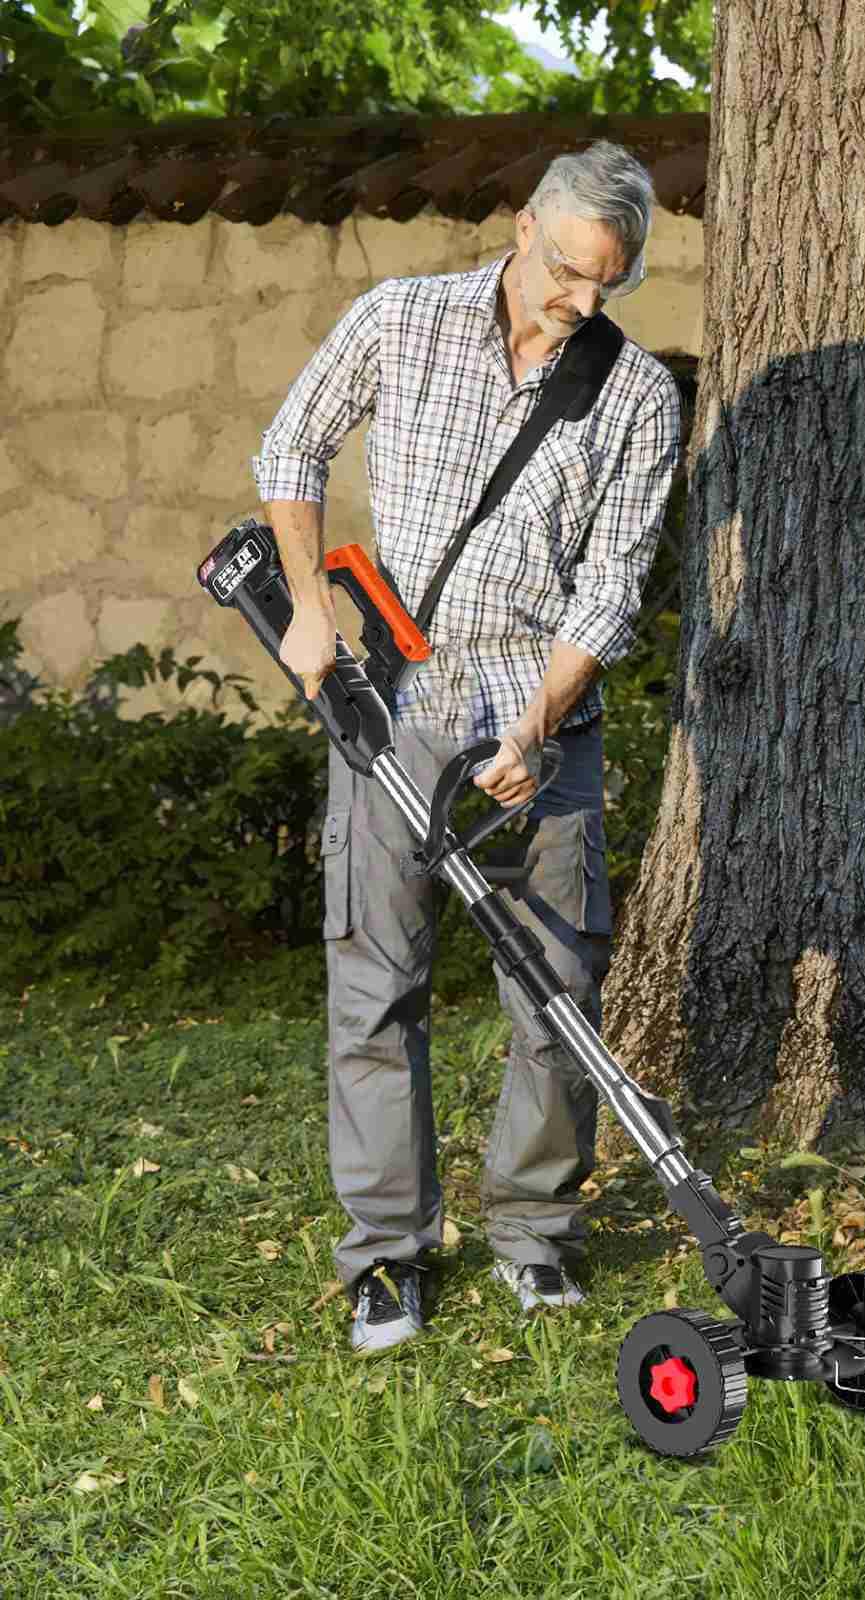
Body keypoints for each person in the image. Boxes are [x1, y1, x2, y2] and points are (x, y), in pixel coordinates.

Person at [252, 140, 681, 1354]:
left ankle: (534, 1232)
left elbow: (610, 592)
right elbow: (290, 449)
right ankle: (387, 1256)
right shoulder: (403, 317)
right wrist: (307, 603)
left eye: (608, 284)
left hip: (540, 724)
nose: (581, 303)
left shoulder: (636, 394)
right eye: (568, 273)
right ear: (522, 226)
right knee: (375, 988)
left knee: (556, 993)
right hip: (393, 704)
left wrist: (539, 729)